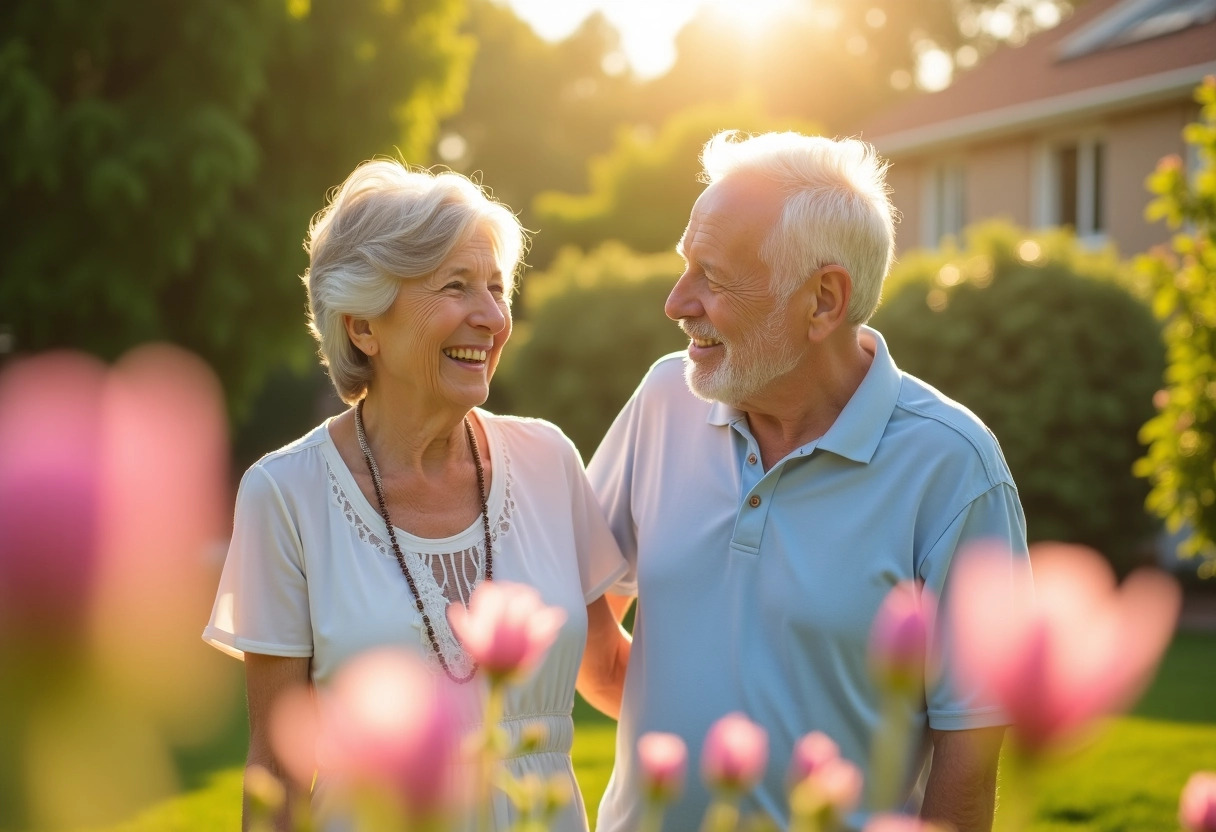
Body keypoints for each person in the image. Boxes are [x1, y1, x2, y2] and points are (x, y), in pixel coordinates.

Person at [588, 131, 1029, 832]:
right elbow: (586, 599)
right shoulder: (664, 397)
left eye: (713, 276)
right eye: (684, 267)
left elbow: (969, 757)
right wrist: (682, 722)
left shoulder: (953, 468)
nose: (677, 302)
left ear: (824, 299)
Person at [203, 159, 631, 831]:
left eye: (497, 287)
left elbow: (609, 666)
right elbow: (278, 767)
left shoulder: (548, 459)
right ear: (362, 326)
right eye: (456, 286)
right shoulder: (285, 495)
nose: (491, 317)